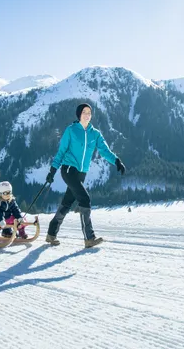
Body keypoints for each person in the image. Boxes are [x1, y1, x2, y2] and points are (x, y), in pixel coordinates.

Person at [45, 103, 126, 248]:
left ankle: (51, 233)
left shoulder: (95, 134)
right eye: (84, 112)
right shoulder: (71, 130)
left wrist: (117, 161)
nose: (87, 114)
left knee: (67, 202)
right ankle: (89, 238)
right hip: (69, 169)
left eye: (89, 112)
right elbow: (61, 151)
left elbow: (104, 150)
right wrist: (52, 171)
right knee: (85, 199)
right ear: (79, 114)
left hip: (82, 173)